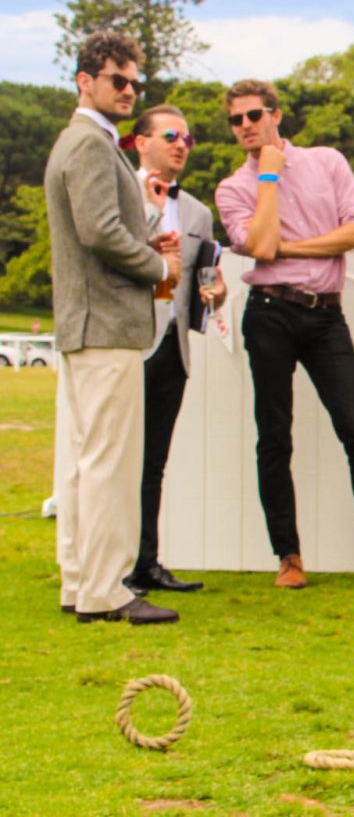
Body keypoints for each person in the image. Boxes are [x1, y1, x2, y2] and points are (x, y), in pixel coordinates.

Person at [215, 79, 354, 590]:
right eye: (236, 120)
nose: (246, 126)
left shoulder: (327, 161)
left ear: (276, 114)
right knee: (274, 436)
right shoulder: (233, 188)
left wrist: (290, 247)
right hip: (269, 312)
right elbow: (261, 246)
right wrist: (268, 175)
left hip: (326, 315)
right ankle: (288, 557)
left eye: (254, 115)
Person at [45, 31, 180, 624]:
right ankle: (104, 591)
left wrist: (145, 228)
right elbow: (99, 231)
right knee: (108, 464)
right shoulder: (90, 144)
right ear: (85, 80)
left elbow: (100, 227)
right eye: (117, 79)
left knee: (85, 463)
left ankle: (81, 582)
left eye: (134, 81)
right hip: (106, 322)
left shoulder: (85, 142)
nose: (128, 90)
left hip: (88, 323)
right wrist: (158, 266)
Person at [122, 105, 225, 597]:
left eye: (187, 138)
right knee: (115, 460)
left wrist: (216, 292)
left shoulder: (199, 213)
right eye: (171, 136)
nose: (181, 145)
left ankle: (146, 564)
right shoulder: (118, 192)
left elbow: (209, 278)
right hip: (125, 343)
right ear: (141, 142)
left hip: (172, 347)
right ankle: (110, 566)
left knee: (153, 464)